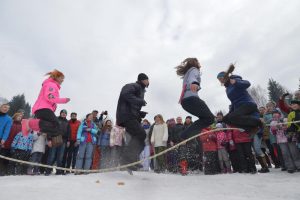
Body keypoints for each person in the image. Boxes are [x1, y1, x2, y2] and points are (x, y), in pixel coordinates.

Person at [116, 73, 149, 172]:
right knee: (141, 134)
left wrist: (140, 113)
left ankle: (132, 161)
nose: (148, 82)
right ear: (143, 80)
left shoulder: (141, 90)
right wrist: (140, 101)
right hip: (126, 115)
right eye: (147, 80)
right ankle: (125, 159)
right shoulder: (133, 86)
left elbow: (132, 105)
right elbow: (125, 94)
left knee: (141, 140)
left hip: (131, 115)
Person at [176, 58, 214, 139]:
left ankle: (187, 134)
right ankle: (186, 134)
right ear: (195, 63)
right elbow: (193, 77)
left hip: (185, 102)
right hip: (191, 99)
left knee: (205, 118)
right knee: (210, 119)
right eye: (198, 62)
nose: (200, 64)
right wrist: (195, 82)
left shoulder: (188, 72)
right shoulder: (194, 69)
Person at [25, 69, 70, 138]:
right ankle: (29, 123)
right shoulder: (51, 84)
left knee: (54, 126)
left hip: (43, 109)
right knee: (56, 124)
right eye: (61, 78)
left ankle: (34, 126)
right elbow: (50, 97)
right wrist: (63, 100)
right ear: (56, 77)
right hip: (43, 108)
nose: (62, 80)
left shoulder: (51, 85)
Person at [217, 69, 262, 134]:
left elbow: (247, 83)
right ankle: (250, 128)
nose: (220, 80)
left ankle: (258, 122)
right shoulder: (227, 89)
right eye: (219, 80)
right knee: (225, 119)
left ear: (225, 77)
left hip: (247, 104)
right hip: (239, 107)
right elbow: (233, 102)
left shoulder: (235, 80)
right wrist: (230, 112)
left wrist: (236, 82)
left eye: (221, 78)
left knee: (232, 116)